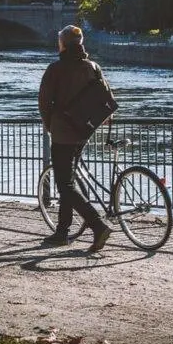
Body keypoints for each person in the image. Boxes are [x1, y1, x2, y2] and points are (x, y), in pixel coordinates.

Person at [38, 25, 113, 252]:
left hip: (62, 132)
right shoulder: (93, 66)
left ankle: (98, 225)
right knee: (68, 180)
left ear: (63, 44)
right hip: (84, 131)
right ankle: (62, 231)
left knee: (65, 184)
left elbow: (44, 102)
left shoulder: (56, 69)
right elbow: (107, 99)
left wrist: (49, 125)